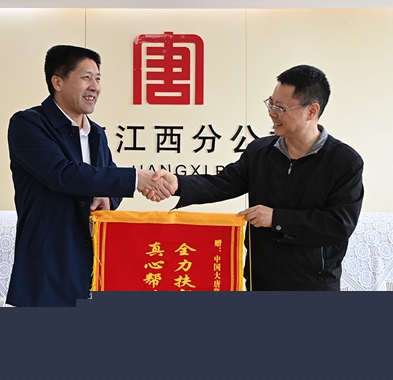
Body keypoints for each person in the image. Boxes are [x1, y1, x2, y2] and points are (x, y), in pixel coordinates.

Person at [148, 65, 364, 290]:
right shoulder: (260, 151)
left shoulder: (344, 162)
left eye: (280, 108)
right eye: (270, 103)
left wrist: (277, 219)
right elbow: (222, 183)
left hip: (313, 284)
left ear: (311, 111)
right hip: (259, 279)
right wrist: (179, 183)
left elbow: (339, 225)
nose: (272, 113)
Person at [6, 45, 171, 306]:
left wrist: (108, 198)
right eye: (86, 77)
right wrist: (135, 178)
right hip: (48, 263)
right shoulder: (29, 124)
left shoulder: (97, 133)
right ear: (58, 82)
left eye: (98, 78)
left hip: (95, 262)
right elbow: (62, 174)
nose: (94, 86)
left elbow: (107, 178)